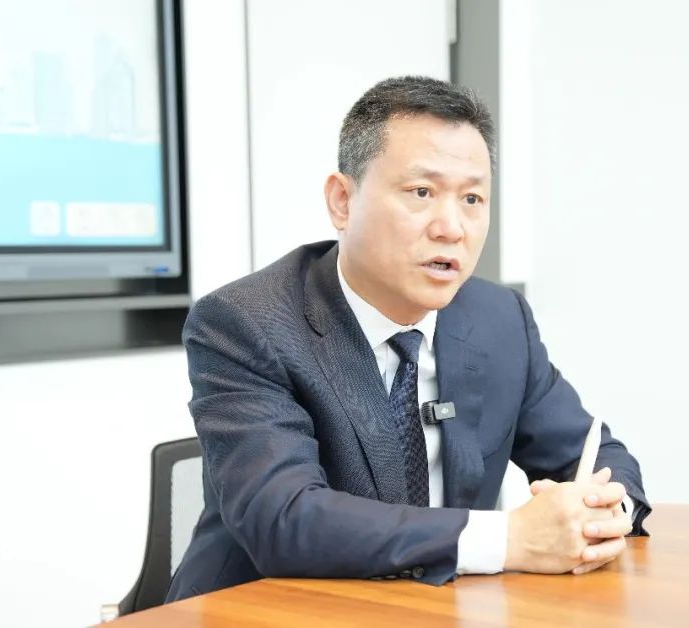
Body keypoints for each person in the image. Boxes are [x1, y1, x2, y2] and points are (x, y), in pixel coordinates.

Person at [166, 76, 650, 602]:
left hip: (432, 609)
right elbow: (285, 519)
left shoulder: (499, 319)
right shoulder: (246, 323)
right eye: (422, 193)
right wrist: (511, 538)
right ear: (342, 201)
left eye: (472, 198)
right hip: (264, 609)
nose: (451, 228)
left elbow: (597, 454)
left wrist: (600, 513)